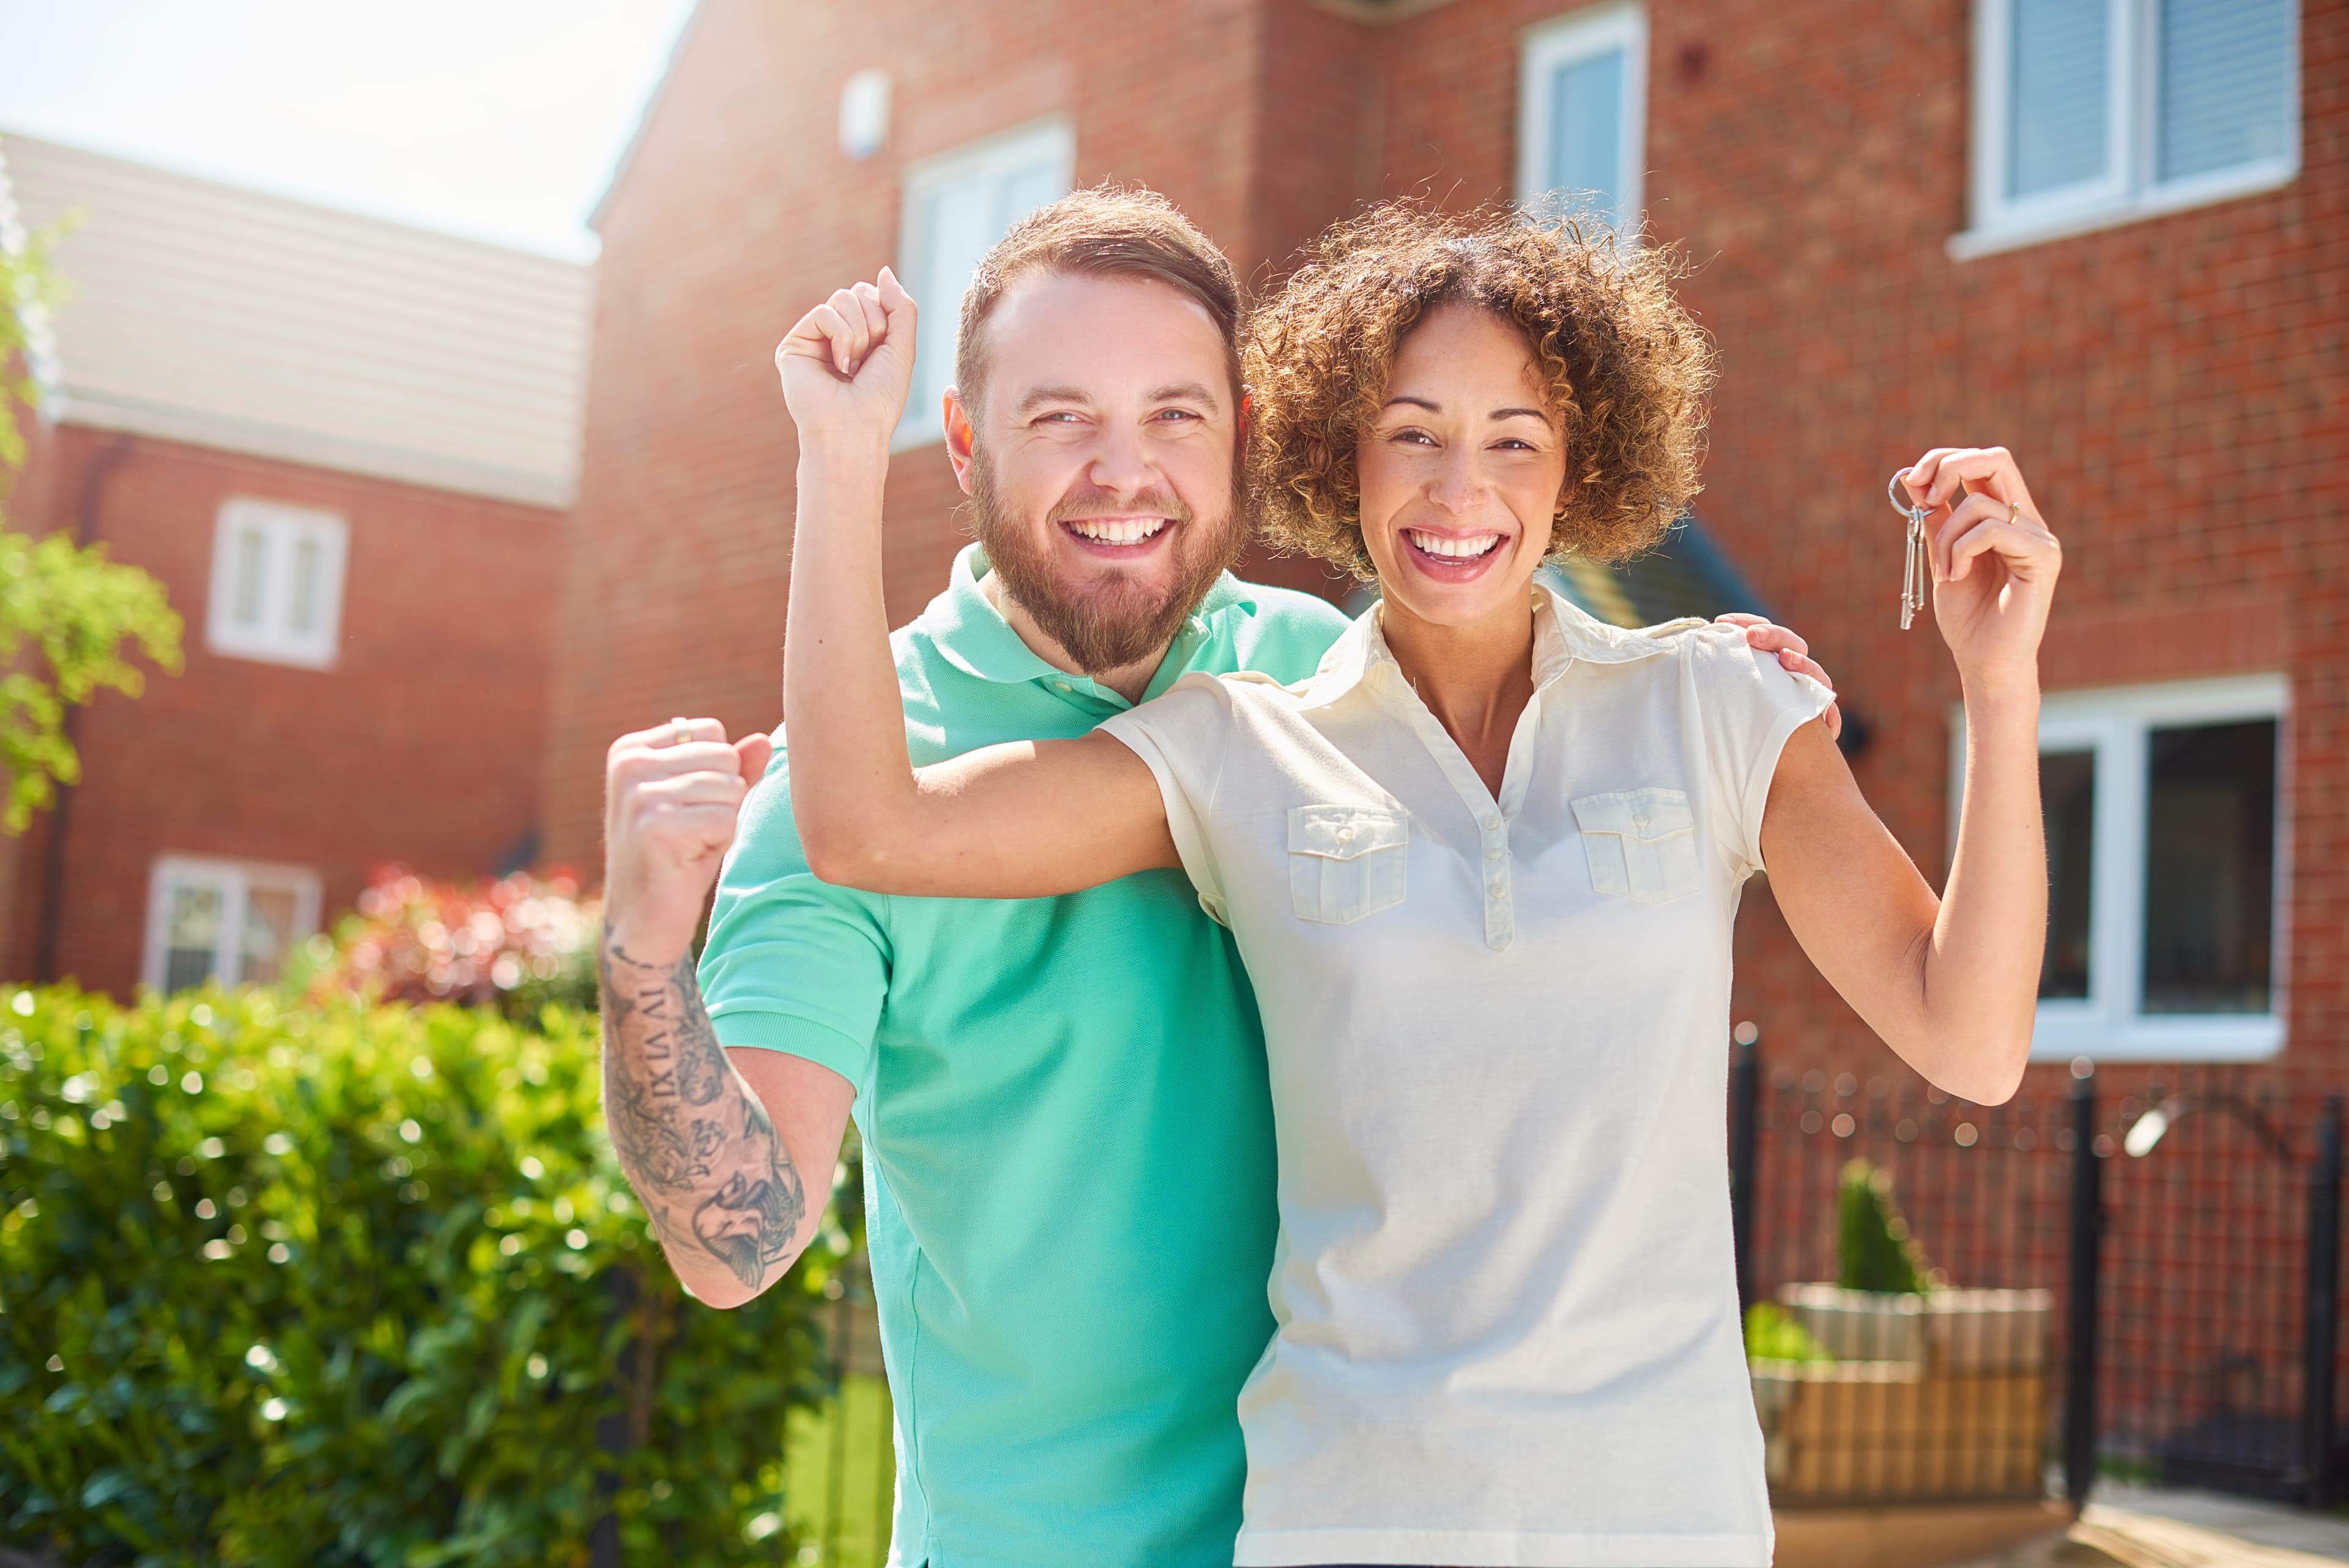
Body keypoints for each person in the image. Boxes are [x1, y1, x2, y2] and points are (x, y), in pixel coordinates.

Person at [776, 202, 2058, 1568]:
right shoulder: (1239, 742)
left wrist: (2001, 685)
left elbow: (1972, 1043)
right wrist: (840, 459)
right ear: (1343, 454)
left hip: (1659, 1516)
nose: (1460, 492)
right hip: (1350, 1515)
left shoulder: (1719, 704)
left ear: (1579, 469)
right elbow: (869, 829)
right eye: (1413, 435)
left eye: (1514, 440)